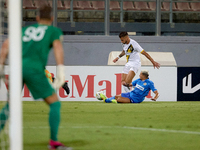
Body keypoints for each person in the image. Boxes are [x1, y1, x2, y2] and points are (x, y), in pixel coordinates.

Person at [0, 5, 72, 150]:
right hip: (33, 69)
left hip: (16, 68)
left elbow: (6, 44)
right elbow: (57, 47)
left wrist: (1, 65)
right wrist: (61, 70)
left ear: (37, 18)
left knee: (10, 105)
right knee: (54, 103)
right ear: (52, 19)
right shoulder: (53, 31)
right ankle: (54, 142)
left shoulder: (24, 30)